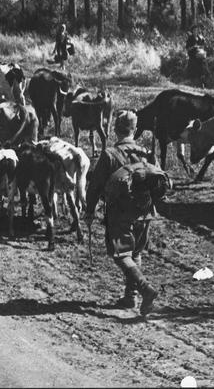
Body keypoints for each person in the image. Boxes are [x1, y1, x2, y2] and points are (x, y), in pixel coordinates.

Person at [85, 110, 160, 315]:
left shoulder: (109, 154)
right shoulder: (146, 153)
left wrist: (89, 210)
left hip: (120, 212)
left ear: (115, 130)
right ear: (135, 130)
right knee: (136, 252)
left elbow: (95, 186)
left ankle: (145, 288)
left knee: (121, 254)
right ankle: (130, 298)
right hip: (145, 212)